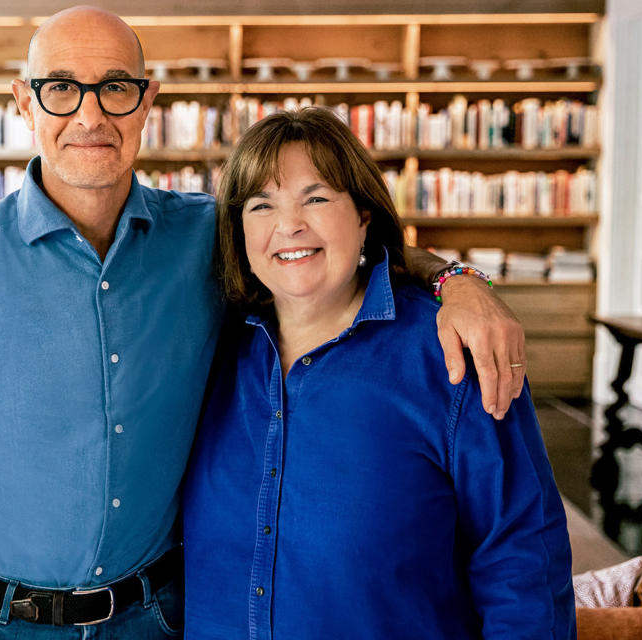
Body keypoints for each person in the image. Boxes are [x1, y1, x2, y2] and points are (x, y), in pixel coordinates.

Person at [0, 7, 527, 640]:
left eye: (115, 87)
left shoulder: (210, 234)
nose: (90, 113)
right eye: (61, 88)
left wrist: (459, 282)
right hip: (4, 619)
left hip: (164, 618)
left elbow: (323, 245)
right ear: (24, 102)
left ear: (147, 101)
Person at [182, 107, 575, 639]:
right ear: (238, 229)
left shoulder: (450, 352)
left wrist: (460, 281)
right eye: (261, 204)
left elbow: (524, 560)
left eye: (316, 198)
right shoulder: (205, 348)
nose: (289, 224)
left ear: (364, 215)